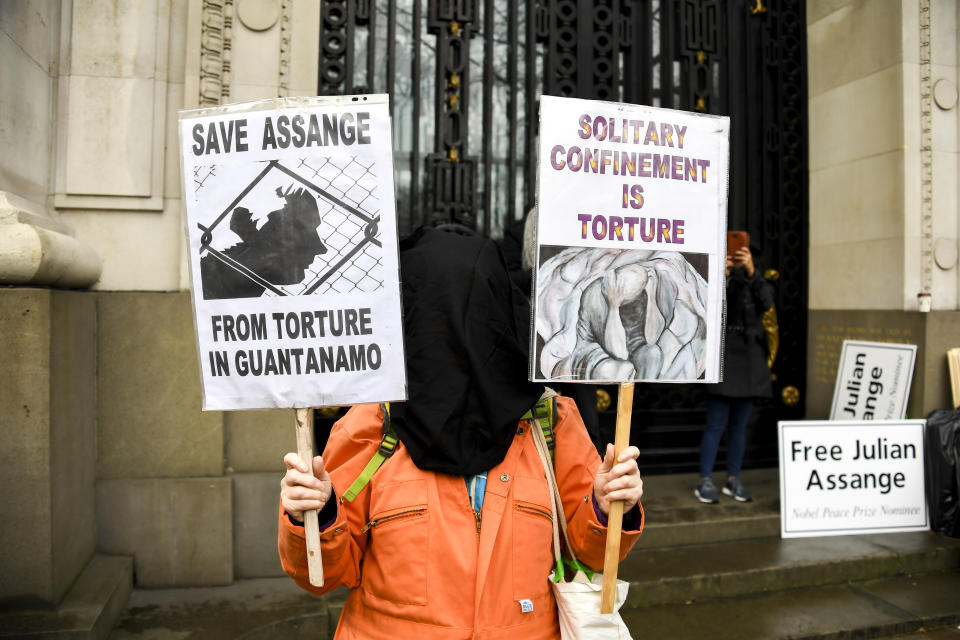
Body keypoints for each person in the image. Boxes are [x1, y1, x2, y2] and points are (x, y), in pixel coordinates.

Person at [278, 226, 645, 639]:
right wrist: (314, 513)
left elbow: (591, 553)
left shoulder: (551, 422)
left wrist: (607, 505)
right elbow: (321, 576)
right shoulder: (371, 426)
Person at [695, 243, 774, 503]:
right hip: (724, 356)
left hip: (750, 359)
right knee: (715, 423)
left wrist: (751, 272)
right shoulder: (719, 277)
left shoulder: (756, 278)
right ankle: (705, 480)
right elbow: (706, 308)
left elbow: (766, 303)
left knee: (740, 426)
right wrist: (722, 276)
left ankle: (733, 479)